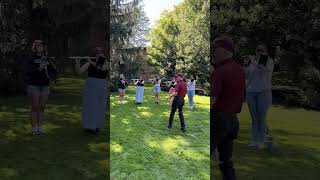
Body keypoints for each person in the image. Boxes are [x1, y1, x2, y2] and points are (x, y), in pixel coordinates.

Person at [211, 36, 245, 180]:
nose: (213, 54)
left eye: (215, 50)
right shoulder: (239, 70)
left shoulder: (221, 71)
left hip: (218, 119)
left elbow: (212, 100)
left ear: (224, 51)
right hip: (232, 120)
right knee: (226, 162)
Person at [75, 47, 109, 134]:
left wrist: (89, 61)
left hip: (101, 86)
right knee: (89, 106)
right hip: (90, 86)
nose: (99, 54)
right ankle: (88, 126)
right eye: (97, 53)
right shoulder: (89, 64)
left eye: (101, 53)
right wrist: (77, 62)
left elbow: (100, 68)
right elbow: (79, 72)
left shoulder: (107, 63)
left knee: (99, 106)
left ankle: (96, 126)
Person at [26, 40, 56, 135]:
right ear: (35, 47)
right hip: (34, 85)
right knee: (35, 107)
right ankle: (34, 128)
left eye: (42, 46)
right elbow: (28, 72)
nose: (40, 47)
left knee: (42, 107)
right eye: (38, 46)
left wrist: (49, 64)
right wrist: (38, 68)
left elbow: (54, 71)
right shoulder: (31, 58)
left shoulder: (46, 58)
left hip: (45, 85)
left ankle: (40, 127)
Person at [245, 49, 268, 149]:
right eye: (257, 51)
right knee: (254, 118)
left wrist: (254, 62)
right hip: (250, 93)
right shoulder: (251, 64)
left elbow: (262, 72)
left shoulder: (264, 63)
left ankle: (261, 141)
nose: (258, 53)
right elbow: (247, 77)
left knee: (261, 118)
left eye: (261, 52)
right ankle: (254, 140)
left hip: (261, 92)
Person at [256, 44, 274, 135]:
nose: (259, 52)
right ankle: (264, 131)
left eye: (262, 50)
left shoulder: (269, 61)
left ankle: (264, 132)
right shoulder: (257, 62)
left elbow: (266, 71)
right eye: (258, 50)